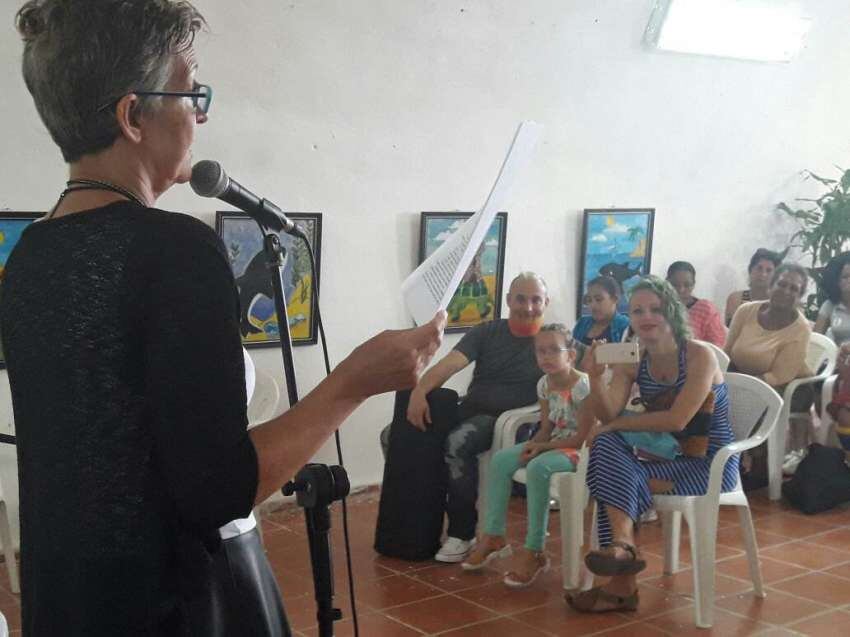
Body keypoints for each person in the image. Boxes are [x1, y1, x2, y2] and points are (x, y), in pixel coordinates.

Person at [4, 2, 444, 635]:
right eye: (190, 94)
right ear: (134, 116)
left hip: (64, 602)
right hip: (162, 608)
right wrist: (353, 381)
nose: (201, 114)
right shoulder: (174, 248)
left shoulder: (30, 258)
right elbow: (217, 489)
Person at [567, 276, 737, 613]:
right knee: (606, 450)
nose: (646, 317)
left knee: (612, 475)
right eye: (638, 310)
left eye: (655, 310)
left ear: (672, 313)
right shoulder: (634, 357)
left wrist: (612, 424)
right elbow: (608, 410)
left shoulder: (700, 356)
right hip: (662, 455)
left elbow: (677, 420)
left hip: (708, 464)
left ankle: (621, 583)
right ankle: (623, 547)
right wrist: (596, 379)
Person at [398, 272, 548, 563]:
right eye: (520, 298)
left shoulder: (553, 340)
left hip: (509, 421)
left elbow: (578, 378)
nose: (527, 307)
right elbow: (450, 364)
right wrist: (419, 392)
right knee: (397, 434)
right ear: (508, 300)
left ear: (546, 302)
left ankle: (462, 533)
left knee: (457, 443)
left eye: (535, 300)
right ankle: (413, 523)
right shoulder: (487, 331)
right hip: (470, 408)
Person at [460, 324, 592, 587]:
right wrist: (534, 444)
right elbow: (547, 427)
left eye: (554, 350)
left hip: (579, 452)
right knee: (501, 460)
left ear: (571, 355)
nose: (546, 357)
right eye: (540, 351)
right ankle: (494, 535)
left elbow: (581, 438)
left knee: (538, 467)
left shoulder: (582, 386)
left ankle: (535, 550)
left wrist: (540, 449)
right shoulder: (544, 384)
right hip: (553, 444)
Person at [726, 263, 812, 463]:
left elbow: (778, 376)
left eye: (794, 289)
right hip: (744, 376)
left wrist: (738, 388)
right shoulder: (746, 311)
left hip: (786, 386)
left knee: (742, 403)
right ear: (771, 285)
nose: (786, 291)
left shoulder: (801, 329)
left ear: (800, 296)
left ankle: (748, 459)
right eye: (782, 284)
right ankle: (716, 453)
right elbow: (727, 352)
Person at [573, 276, 630, 369]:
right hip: (580, 380)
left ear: (615, 299)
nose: (593, 305)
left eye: (598, 299)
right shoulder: (582, 323)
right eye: (589, 300)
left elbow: (628, 365)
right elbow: (571, 356)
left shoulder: (626, 326)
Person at [666, 261, 725, 347]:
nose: (681, 289)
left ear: (693, 284)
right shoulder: (657, 307)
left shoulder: (706, 309)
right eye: (675, 285)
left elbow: (717, 345)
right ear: (666, 282)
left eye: (687, 285)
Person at [725, 248, 784, 325]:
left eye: (769, 270)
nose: (763, 274)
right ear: (750, 270)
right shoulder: (736, 299)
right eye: (759, 268)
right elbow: (731, 333)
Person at [814, 252, 850, 346]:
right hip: (837, 358)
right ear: (836, 281)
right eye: (845, 277)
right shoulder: (829, 306)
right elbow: (815, 340)